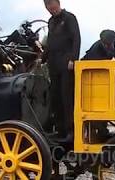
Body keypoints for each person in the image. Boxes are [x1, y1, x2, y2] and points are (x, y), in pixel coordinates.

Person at [43, 0, 81, 141]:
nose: (50, 9)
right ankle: (60, 130)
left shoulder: (69, 18)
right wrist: (42, 58)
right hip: (54, 64)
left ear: (57, 4)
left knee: (67, 97)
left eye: (52, 6)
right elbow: (50, 43)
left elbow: (76, 39)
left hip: (66, 63)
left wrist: (73, 59)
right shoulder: (50, 22)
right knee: (56, 97)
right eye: (47, 7)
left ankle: (71, 130)